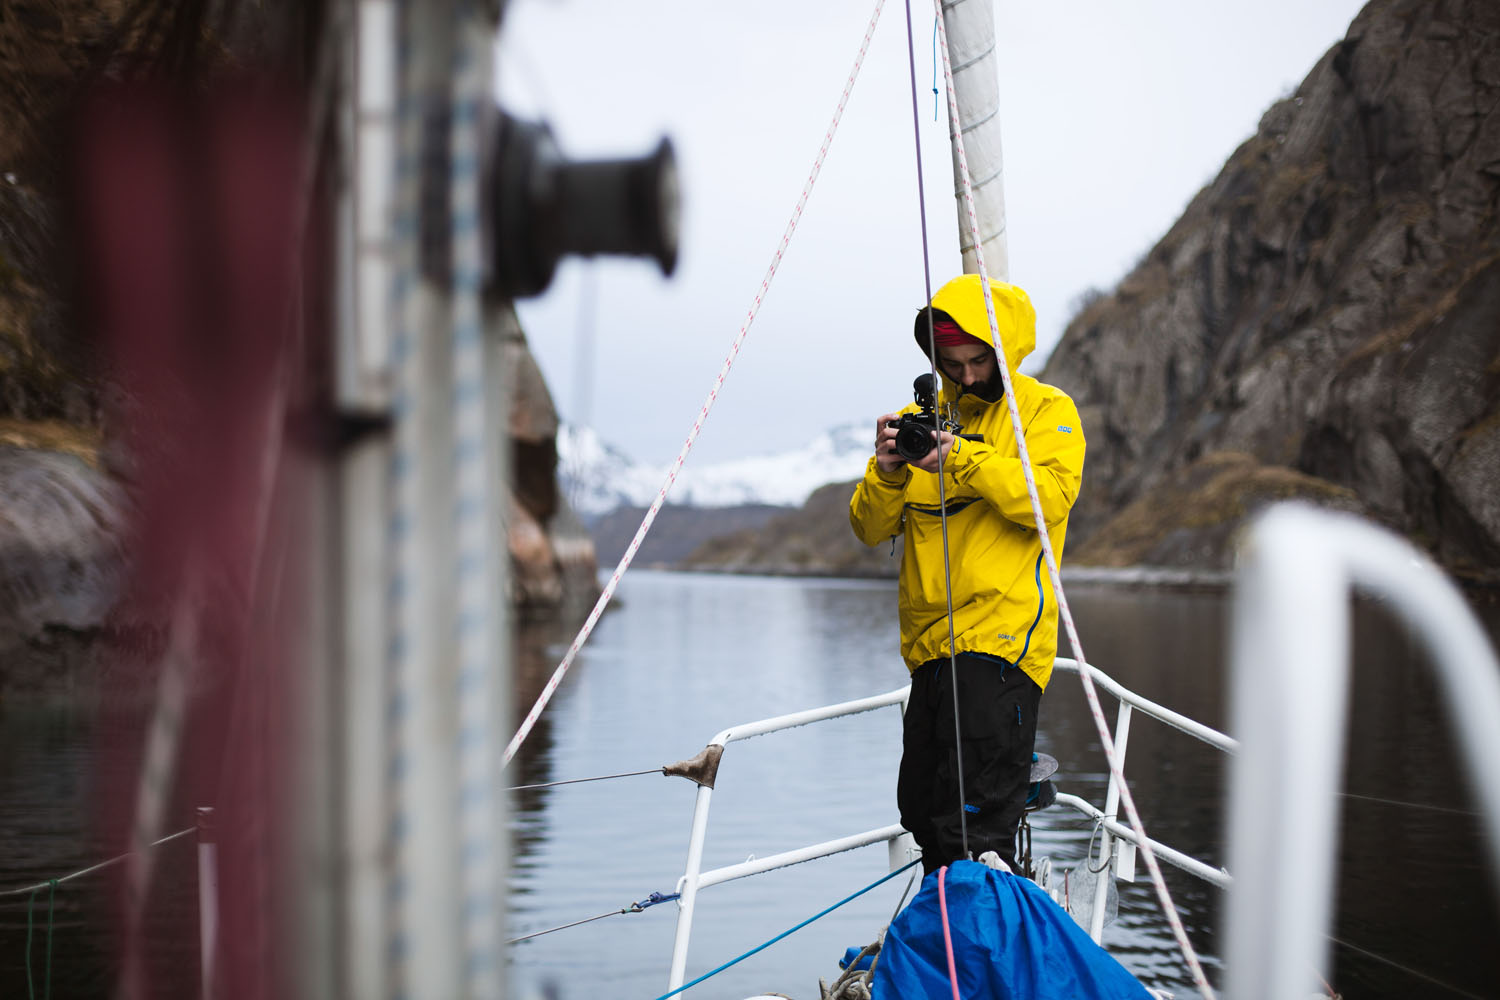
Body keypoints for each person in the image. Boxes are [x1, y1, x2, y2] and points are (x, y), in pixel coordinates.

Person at [849, 274, 1085, 875]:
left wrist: (962, 455)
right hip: (929, 653)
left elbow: (1047, 498)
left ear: (1006, 350)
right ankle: (945, 949)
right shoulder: (918, 422)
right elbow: (870, 529)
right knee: (926, 816)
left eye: (979, 360)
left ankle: (974, 953)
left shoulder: (1046, 410)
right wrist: (888, 472)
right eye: (951, 364)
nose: (968, 376)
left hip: (1002, 645)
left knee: (974, 828)